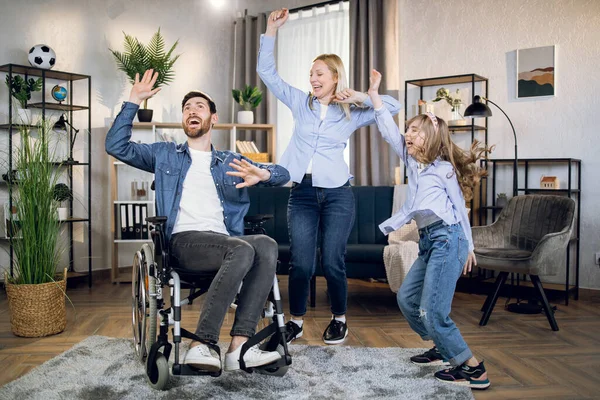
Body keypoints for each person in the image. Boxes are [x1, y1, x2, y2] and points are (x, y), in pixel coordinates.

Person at [105, 70, 291, 372]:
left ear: (213, 118)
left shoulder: (231, 160)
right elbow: (116, 146)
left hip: (227, 241)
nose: (192, 110)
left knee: (266, 245)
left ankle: (238, 348)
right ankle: (202, 343)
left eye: (199, 106)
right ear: (184, 119)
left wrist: (264, 174)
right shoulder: (164, 155)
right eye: (187, 107)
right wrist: (133, 101)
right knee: (242, 249)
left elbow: (284, 174)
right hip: (185, 242)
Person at [257, 8, 401, 345]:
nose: (313, 79)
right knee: (302, 264)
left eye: (319, 73)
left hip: (338, 194)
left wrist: (363, 96)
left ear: (335, 76)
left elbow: (391, 107)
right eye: (311, 74)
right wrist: (270, 29)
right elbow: (267, 72)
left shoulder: (351, 113)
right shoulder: (299, 102)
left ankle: (339, 318)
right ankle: (295, 321)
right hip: (303, 193)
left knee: (333, 260)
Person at [368, 69, 491, 389]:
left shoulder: (444, 169)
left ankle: (472, 367)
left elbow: (461, 210)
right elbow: (386, 130)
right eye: (407, 129)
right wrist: (374, 96)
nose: (407, 135)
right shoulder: (411, 161)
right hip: (428, 240)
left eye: (415, 131)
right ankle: (441, 344)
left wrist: (469, 247)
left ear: (432, 137)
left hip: (448, 239)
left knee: (432, 310)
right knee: (408, 300)